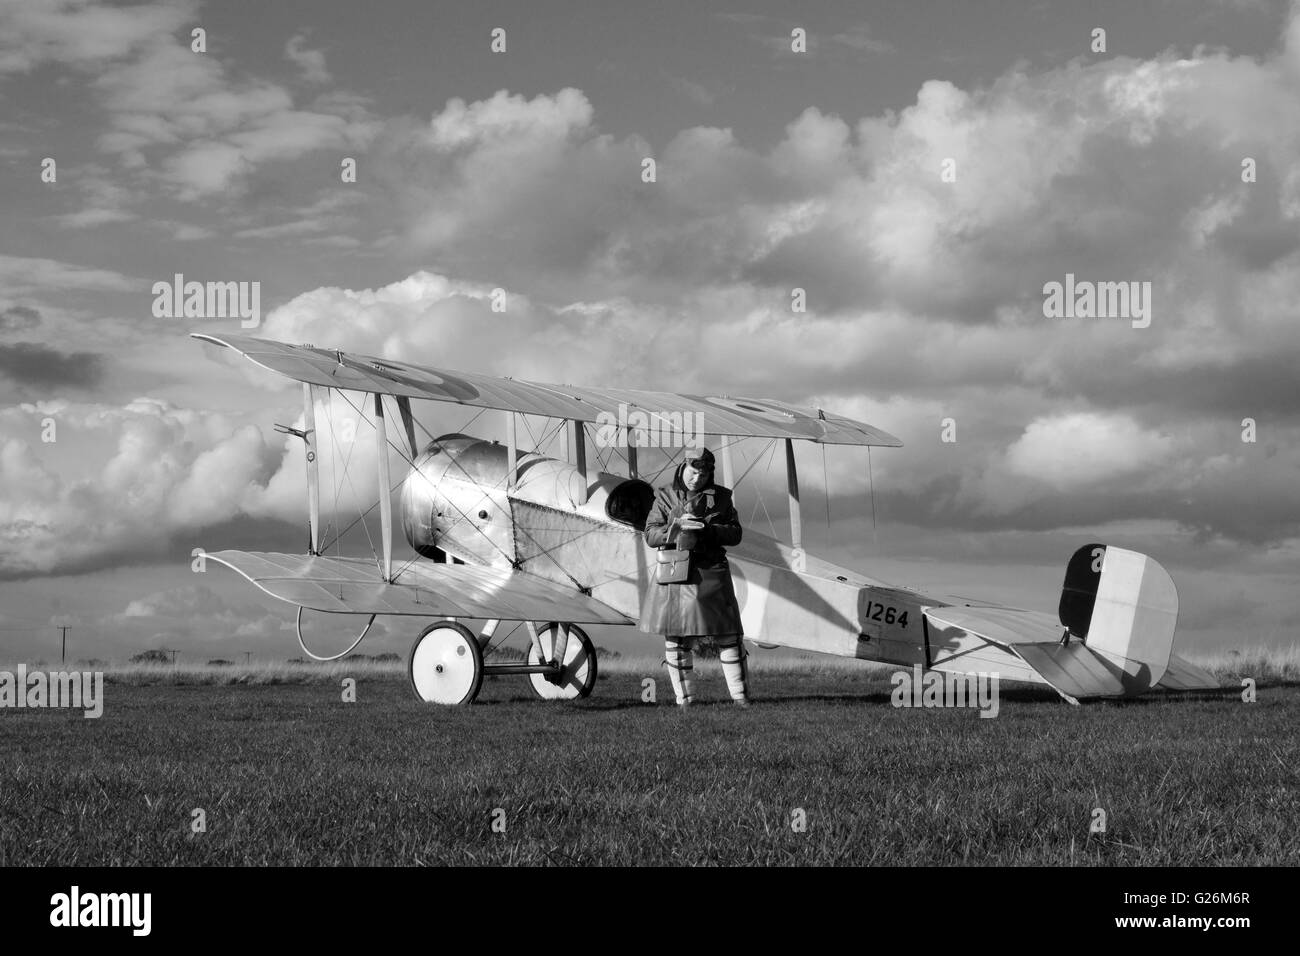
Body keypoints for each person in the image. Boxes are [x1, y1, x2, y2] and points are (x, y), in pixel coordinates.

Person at [639, 447, 749, 707]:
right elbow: (650, 534)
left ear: (710, 473)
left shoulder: (723, 498)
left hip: (711, 570)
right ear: (683, 467)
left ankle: (741, 699)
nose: (696, 478)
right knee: (676, 637)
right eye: (692, 471)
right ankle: (685, 701)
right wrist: (673, 529)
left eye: (702, 473)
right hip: (675, 571)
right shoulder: (664, 496)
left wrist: (709, 530)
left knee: (729, 635)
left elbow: (735, 534)